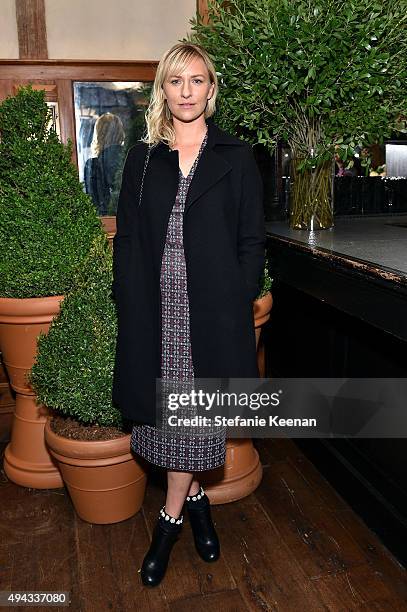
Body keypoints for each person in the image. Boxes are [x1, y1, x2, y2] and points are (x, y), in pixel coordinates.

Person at [112, 42, 266, 587]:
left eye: (197, 81)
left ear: (211, 89)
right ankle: (198, 501)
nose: (186, 91)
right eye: (176, 81)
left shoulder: (237, 156)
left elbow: (252, 237)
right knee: (163, 424)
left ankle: (170, 521)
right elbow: (127, 237)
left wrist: (239, 293)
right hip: (155, 312)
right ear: (163, 90)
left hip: (211, 312)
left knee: (196, 422)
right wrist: (127, 295)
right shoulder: (142, 157)